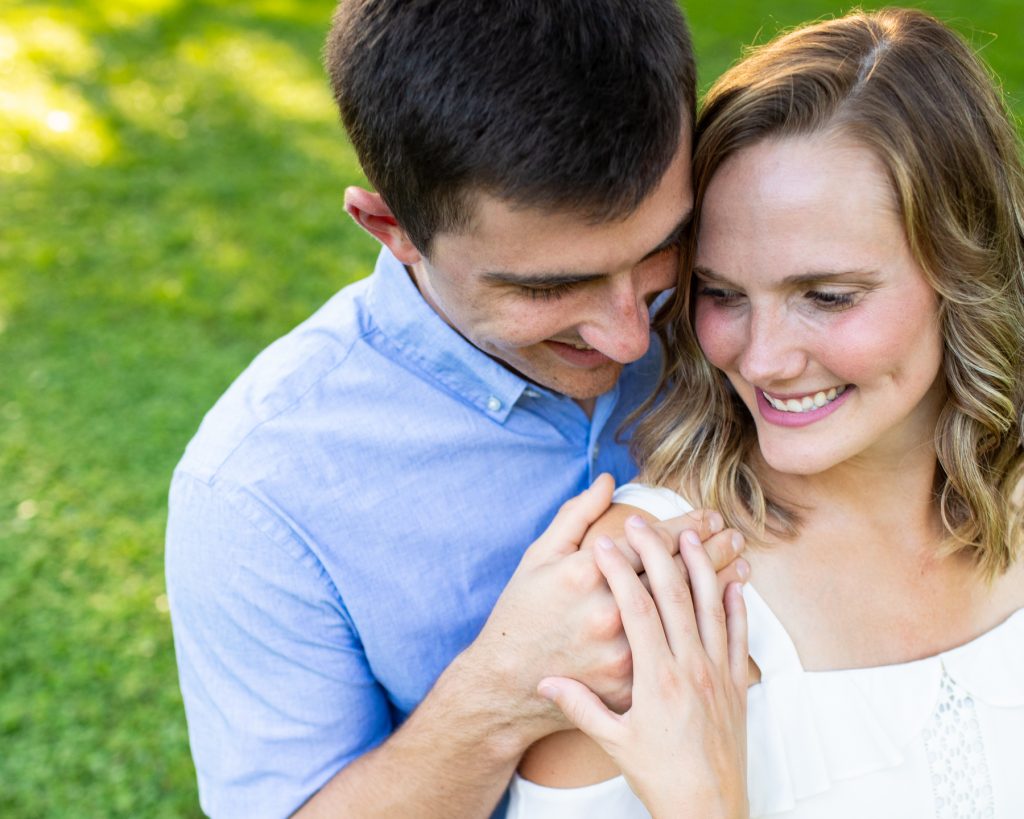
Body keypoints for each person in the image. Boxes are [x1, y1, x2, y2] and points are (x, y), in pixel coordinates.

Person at [164, 2, 747, 817]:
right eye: (548, 286)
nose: (628, 334)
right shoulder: (257, 493)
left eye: (660, 248)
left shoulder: (746, 301)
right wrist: (500, 691)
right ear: (390, 227)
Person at [512, 7, 1024, 818]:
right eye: (720, 294)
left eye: (826, 296)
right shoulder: (646, 592)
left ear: (966, 270)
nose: (763, 359)